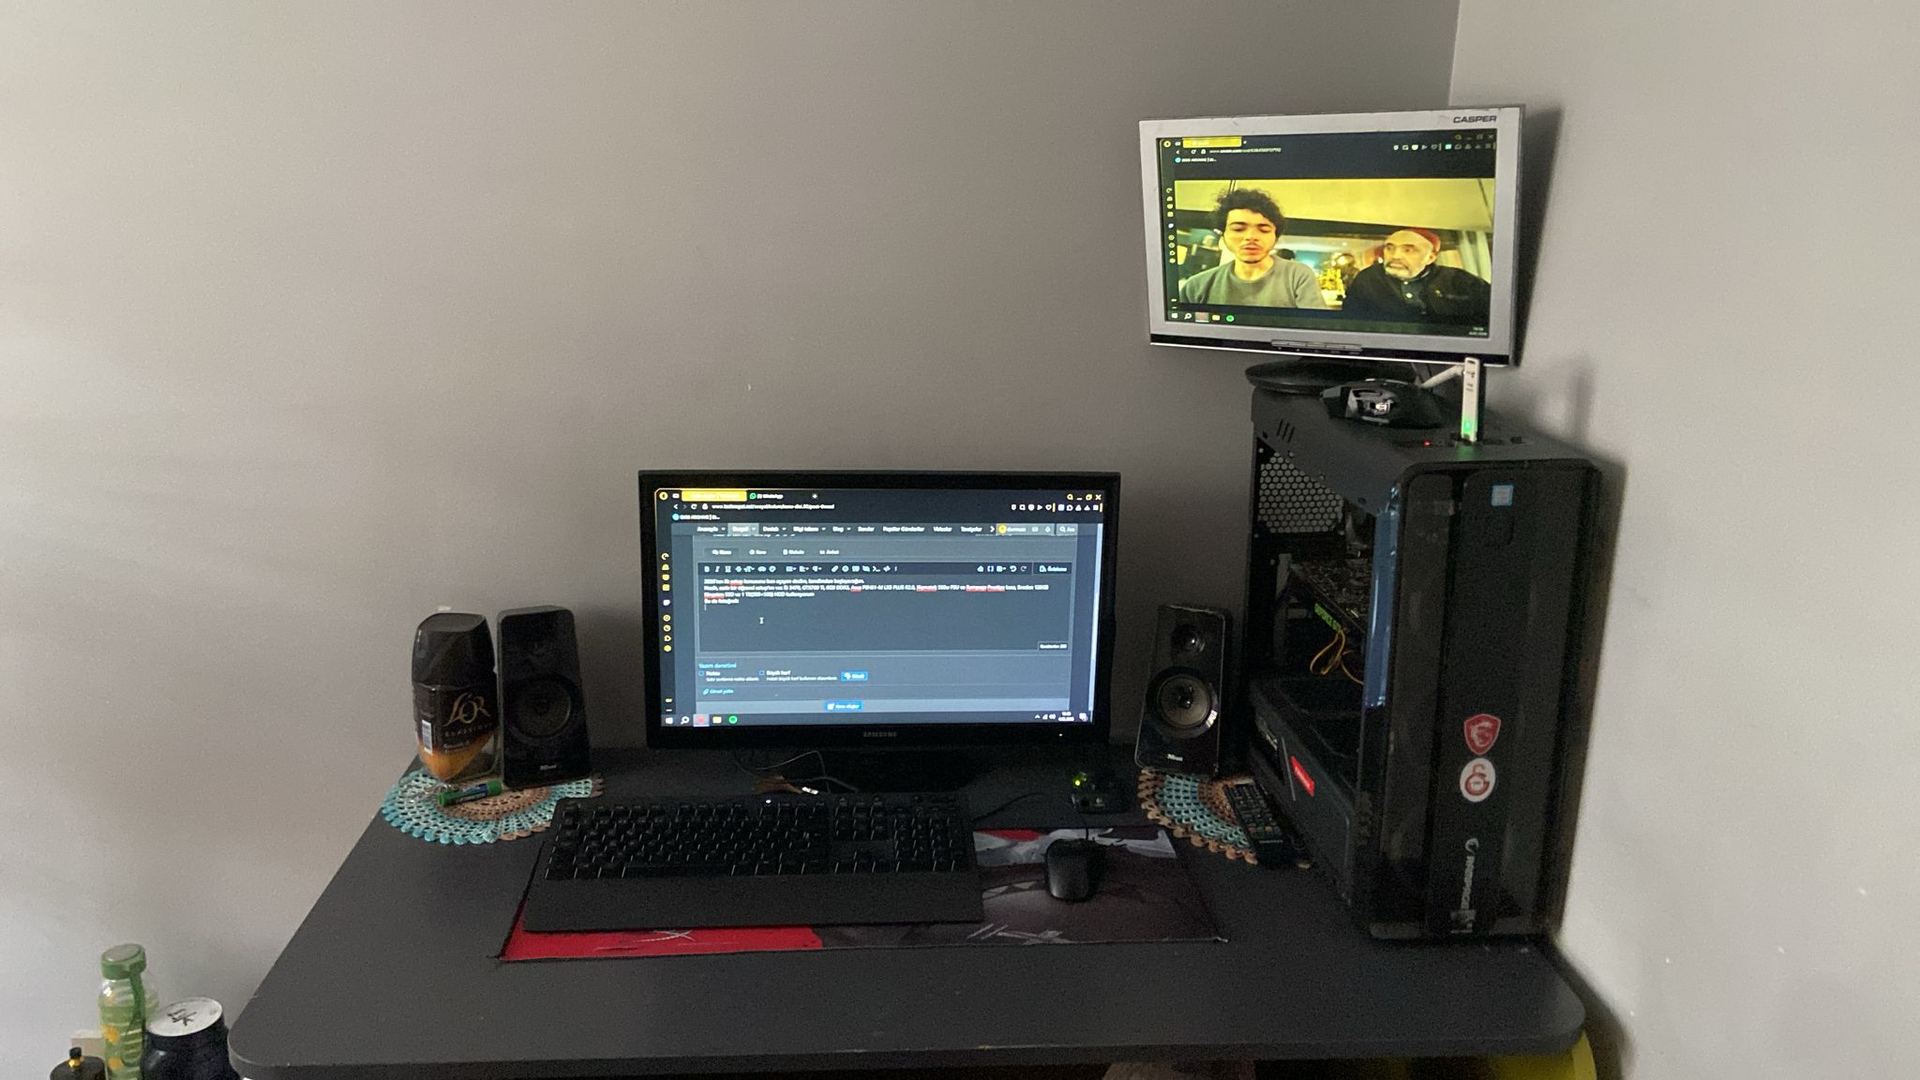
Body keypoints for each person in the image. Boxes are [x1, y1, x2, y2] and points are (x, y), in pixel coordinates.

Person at [1177, 190, 1325, 308]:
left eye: (1264, 230)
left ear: (1275, 237)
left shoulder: (1298, 276)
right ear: (1223, 234)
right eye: (1238, 229)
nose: (1251, 237)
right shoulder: (1196, 286)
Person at [1339, 228, 1491, 326]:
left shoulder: (1460, 281)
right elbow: (1350, 321)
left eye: (1408, 250)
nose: (1395, 256)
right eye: (1390, 248)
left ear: (1430, 258)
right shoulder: (1367, 279)